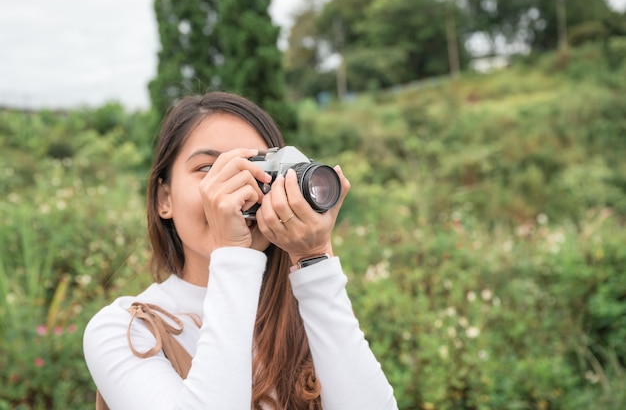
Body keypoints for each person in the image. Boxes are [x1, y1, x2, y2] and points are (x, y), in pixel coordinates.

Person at [83, 91, 398, 409]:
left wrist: (314, 257)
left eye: (256, 167)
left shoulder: (306, 314)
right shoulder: (124, 331)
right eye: (208, 169)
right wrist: (232, 253)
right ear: (164, 199)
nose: (236, 190)